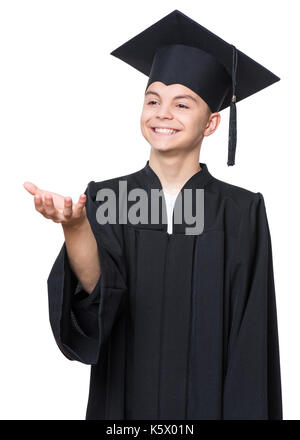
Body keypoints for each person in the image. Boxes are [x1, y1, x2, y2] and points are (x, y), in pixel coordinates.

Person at [24, 10, 282, 420]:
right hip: (124, 408)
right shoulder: (108, 196)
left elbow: (251, 338)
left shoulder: (241, 210)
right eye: (153, 99)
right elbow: (99, 296)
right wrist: (75, 227)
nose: (163, 113)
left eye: (182, 103)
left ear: (212, 124)